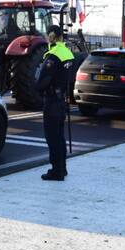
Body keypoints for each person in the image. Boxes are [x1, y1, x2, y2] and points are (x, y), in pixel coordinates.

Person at [35, 25, 74, 181]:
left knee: (52, 137)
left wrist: (38, 89)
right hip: (62, 100)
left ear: (51, 36)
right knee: (59, 136)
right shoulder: (68, 53)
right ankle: (62, 168)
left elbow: (43, 80)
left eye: (48, 35)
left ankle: (56, 171)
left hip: (52, 101)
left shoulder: (53, 55)